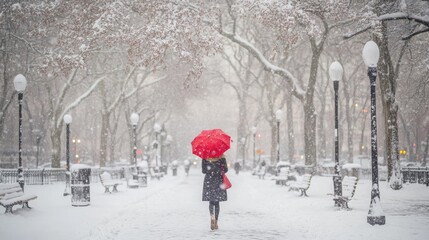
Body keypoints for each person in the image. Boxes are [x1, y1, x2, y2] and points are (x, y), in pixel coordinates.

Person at [202, 155, 228, 230]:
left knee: (211, 201)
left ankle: (212, 216)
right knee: (217, 202)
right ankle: (216, 221)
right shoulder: (221, 157)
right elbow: (225, 170)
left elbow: (203, 171)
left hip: (209, 180)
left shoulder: (205, 156)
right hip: (218, 180)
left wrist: (210, 168)